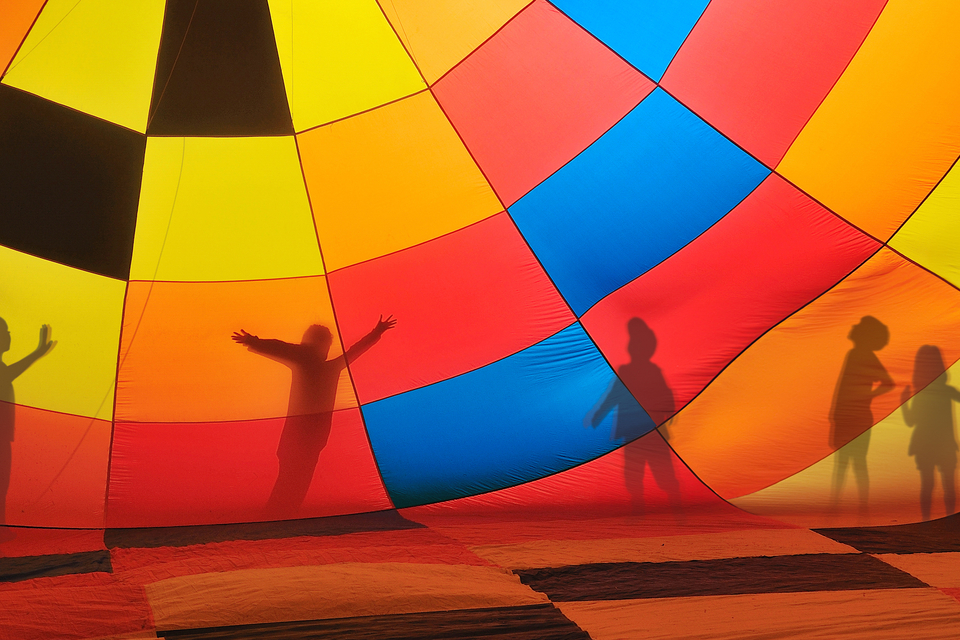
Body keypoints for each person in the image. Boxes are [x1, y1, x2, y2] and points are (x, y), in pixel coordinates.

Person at [232, 315, 394, 519]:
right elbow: (353, 351)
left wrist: (253, 341)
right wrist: (376, 332)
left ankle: (280, 512)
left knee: (292, 475)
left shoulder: (311, 364)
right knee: (298, 476)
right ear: (321, 347)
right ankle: (282, 512)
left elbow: (281, 348)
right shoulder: (324, 366)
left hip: (301, 435)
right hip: (311, 436)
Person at [830, 316, 894, 515]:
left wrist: (865, 396)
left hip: (856, 415)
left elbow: (888, 382)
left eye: (857, 326)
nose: (852, 325)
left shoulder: (863, 355)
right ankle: (845, 505)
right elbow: (843, 386)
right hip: (847, 414)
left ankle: (855, 506)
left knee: (852, 462)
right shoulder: (855, 354)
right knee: (847, 462)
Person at [1, 320, 56, 527]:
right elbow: (7, 375)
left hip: (3, 436)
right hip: (1, 436)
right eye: (4, 332)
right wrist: (37, 352)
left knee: (3, 482)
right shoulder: (1, 370)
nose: (8, 335)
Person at [901, 345, 958, 521]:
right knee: (947, 484)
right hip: (943, 444)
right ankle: (947, 521)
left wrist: (904, 402)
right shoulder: (945, 390)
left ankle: (927, 520)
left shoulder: (922, 394)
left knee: (929, 484)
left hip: (926, 445)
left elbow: (911, 421)